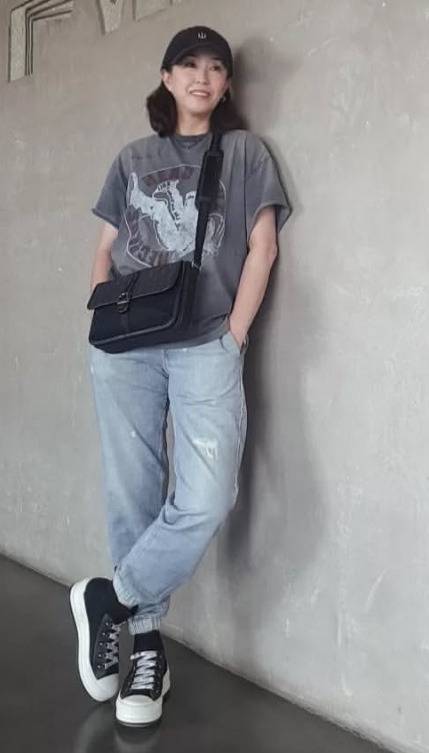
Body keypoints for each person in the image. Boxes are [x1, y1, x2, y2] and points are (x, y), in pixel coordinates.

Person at [70, 25, 291, 728]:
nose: (202, 76)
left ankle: (109, 596)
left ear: (227, 84)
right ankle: (146, 649)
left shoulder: (246, 153)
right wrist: (102, 316)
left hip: (205, 344)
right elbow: (105, 250)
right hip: (125, 346)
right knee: (131, 491)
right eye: (188, 64)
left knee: (207, 496)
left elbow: (262, 247)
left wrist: (234, 335)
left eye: (215, 66)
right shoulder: (133, 157)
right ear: (166, 78)